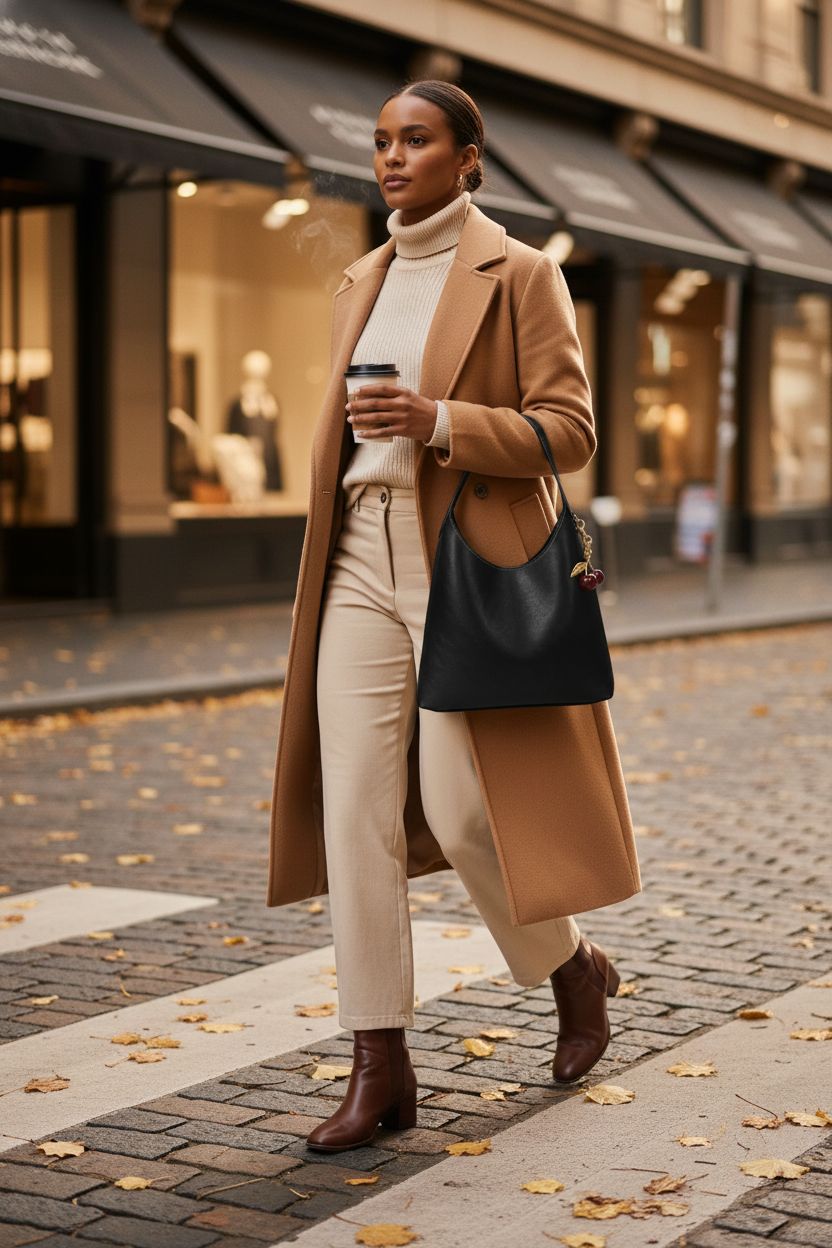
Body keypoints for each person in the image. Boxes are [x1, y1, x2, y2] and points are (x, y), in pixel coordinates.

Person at [298, 80, 629, 1154]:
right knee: (353, 814)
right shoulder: (363, 274)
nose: (393, 157)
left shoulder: (523, 272)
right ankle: (378, 1063)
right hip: (355, 548)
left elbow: (569, 430)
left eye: (417, 139)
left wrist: (439, 419)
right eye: (382, 140)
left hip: (464, 559)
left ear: (467, 155)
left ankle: (570, 968)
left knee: (464, 809)